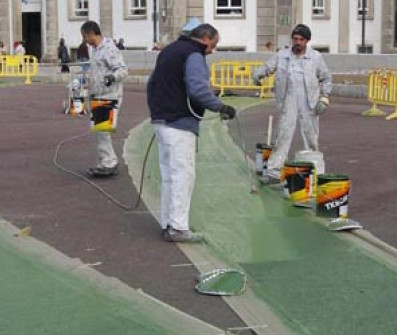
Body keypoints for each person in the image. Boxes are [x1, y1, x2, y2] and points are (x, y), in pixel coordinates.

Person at [146, 24, 236, 243]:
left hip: (162, 121)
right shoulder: (193, 54)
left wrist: (158, 111)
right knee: (183, 175)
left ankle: (169, 222)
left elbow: (152, 84)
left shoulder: (169, 50)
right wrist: (221, 107)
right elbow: (197, 89)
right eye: (213, 45)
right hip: (179, 123)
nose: (212, 51)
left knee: (169, 176)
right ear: (204, 38)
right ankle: (177, 228)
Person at [253, 24, 332, 182]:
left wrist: (325, 97)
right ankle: (274, 170)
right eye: (295, 39)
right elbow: (267, 67)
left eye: (301, 40)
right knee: (283, 133)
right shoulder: (282, 55)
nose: (297, 42)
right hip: (288, 99)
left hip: (309, 101)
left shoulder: (315, 57)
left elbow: (326, 77)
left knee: (311, 136)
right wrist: (257, 76)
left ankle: (314, 169)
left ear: (307, 41)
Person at [81, 21, 128, 178]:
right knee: (100, 131)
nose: (84, 40)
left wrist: (111, 77)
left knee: (103, 131)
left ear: (90, 34)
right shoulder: (95, 50)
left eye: (84, 36)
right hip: (98, 94)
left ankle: (109, 163)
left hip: (110, 94)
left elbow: (122, 70)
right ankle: (106, 161)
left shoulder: (109, 49)